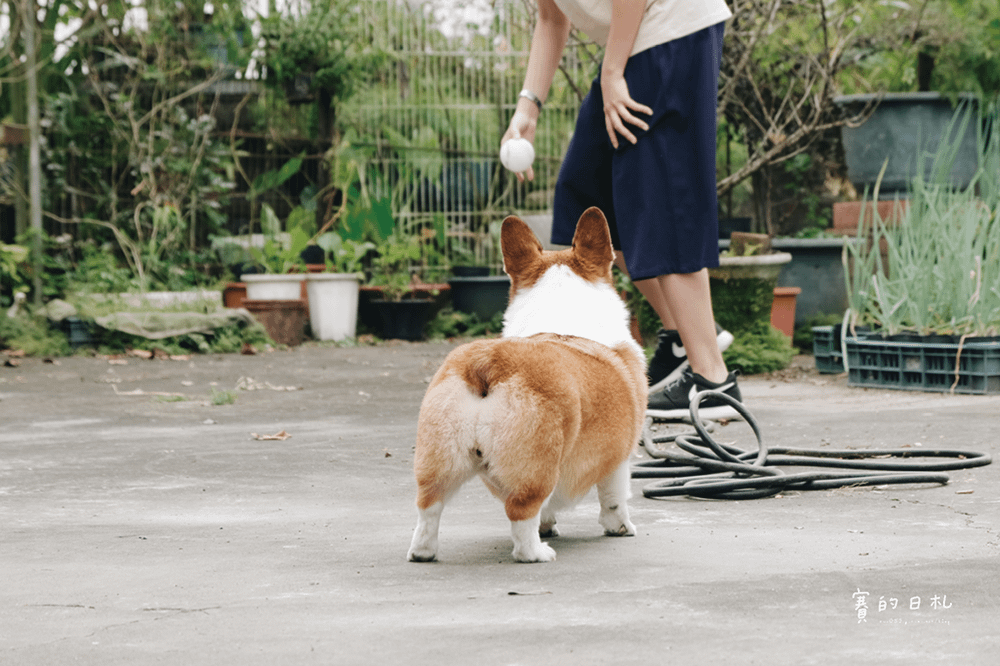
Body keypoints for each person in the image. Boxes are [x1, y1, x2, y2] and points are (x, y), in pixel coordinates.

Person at [501, 0, 741, 420]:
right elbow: (551, 17)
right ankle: (684, 337)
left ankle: (712, 381)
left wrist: (612, 71)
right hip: (633, 45)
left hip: (670, 31)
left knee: (665, 200)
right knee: (589, 201)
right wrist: (528, 107)